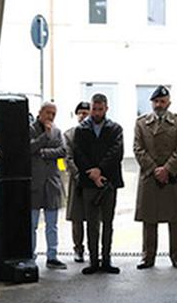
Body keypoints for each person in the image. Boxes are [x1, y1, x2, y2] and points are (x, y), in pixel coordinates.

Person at [133, 85, 177, 270]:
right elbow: (137, 148)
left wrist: (167, 169)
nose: (159, 105)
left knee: (176, 219)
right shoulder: (141, 123)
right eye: (156, 101)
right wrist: (154, 168)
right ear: (152, 103)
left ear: (169, 103)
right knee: (149, 219)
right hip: (150, 176)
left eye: (162, 101)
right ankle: (147, 256)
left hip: (173, 176)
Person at [73, 93, 124, 275]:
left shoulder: (116, 129)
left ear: (106, 109)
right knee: (91, 223)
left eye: (100, 109)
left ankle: (106, 260)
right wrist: (93, 173)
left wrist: (100, 170)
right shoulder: (81, 130)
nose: (96, 112)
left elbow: (116, 153)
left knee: (108, 223)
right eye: (94, 109)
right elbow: (78, 153)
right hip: (88, 182)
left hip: (109, 182)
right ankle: (93, 261)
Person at [29, 102, 68, 270]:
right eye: (48, 113)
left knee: (52, 225)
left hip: (52, 184)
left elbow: (62, 151)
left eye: (53, 113)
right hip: (35, 184)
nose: (50, 116)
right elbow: (29, 148)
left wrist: (44, 152)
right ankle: (30, 256)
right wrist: (44, 137)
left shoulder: (57, 131)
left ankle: (52, 256)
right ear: (40, 113)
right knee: (32, 225)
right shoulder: (30, 129)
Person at [64, 102, 91, 263]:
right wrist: (78, 174)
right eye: (80, 112)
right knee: (77, 217)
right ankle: (78, 249)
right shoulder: (69, 134)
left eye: (86, 112)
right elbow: (68, 157)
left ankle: (95, 249)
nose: (83, 115)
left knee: (94, 218)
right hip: (77, 180)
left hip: (93, 179)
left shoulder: (96, 132)